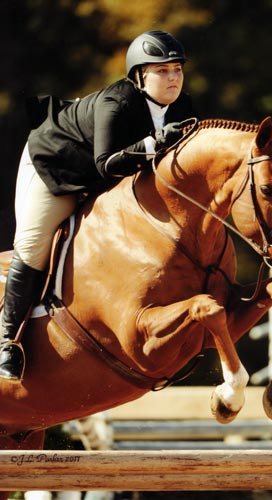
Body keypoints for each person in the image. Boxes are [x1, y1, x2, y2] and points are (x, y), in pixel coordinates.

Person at [0, 30, 196, 382]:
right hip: (54, 165)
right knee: (33, 245)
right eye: (162, 71)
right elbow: (105, 162)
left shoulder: (182, 108)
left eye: (177, 69)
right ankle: (7, 342)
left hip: (103, 178)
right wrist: (153, 145)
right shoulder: (116, 102)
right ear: (140, 75)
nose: (173, 78)